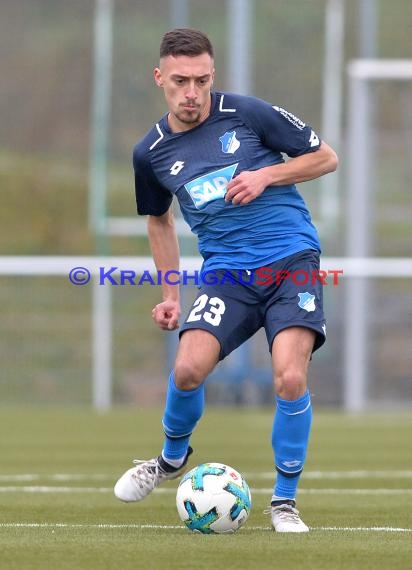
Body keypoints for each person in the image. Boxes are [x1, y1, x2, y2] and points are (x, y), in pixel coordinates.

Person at [114, 28, 338, 533]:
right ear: (160, 79)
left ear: (212, 75)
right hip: (226, 274)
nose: (192, 92)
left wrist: (266, 176)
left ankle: (284, 502)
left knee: (290, 376)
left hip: (289, 261)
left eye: (201, 80)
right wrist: (170, 294)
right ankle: (170, 461)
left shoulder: (248, 114)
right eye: (180, 81)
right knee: (189, 367)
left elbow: (326, 157)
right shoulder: (149, 153)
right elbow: (159, 220)